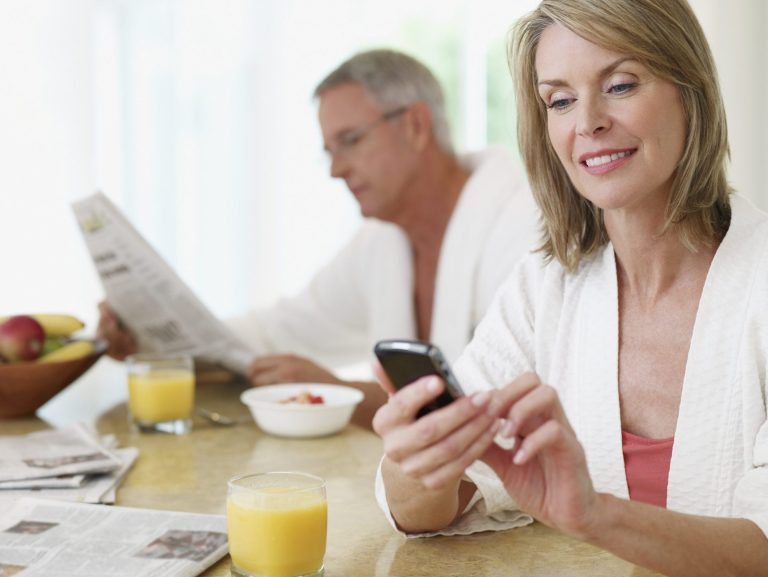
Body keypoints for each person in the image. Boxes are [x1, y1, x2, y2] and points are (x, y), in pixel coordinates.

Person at [373, 1, 768, 575]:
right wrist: (414, 460)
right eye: (559, 100)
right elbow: (425, 510)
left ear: (691, 90)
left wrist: (593, 514)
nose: (586, 122)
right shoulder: (547, 287)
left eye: (621, 84)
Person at [98, 49, 540, 427]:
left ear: (415, 126)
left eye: (349, 140)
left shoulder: (522, 231)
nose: (335, 169)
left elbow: (495, 409)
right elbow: (279, 332)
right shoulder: (381, 244)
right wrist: (148, 339)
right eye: (329, 151)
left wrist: (338, 393)